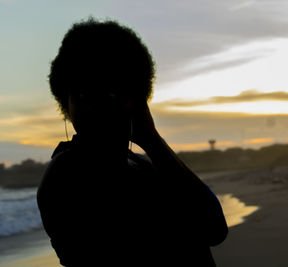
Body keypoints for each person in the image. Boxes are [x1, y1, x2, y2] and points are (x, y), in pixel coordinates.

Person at [37, 17, 228, 266]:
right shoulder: (66, 175)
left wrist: (151, 139)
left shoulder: (141, 165)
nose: (94, 108)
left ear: (134, 99)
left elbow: (214, 228)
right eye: (82, 95)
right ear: (66, 104)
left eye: (108, 93)